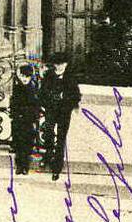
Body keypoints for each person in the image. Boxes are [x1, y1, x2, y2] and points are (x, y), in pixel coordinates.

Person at [43, 52, 82, 181]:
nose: (60, 67)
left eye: (62, 64)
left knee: (61, 137)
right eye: (57, 64)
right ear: (54, 65)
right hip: (51, 109)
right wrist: (48, 101)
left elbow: (76, 95)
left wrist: (68, 101)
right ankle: (48, 154)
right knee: (48, 131)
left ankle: (56, 167)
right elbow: (42, 92)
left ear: (66, 64)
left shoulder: (70, 77)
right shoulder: (48, 76)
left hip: (64, 111)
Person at [9, 59, 43, 175]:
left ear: (30, 78)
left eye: (27, 77)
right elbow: (13, 103)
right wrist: (14, 114)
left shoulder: (32, 89)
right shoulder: (17, 88)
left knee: (28, 143)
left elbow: (35, 104)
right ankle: (19, 165)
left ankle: (25, 166)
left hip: (28, 120)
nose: (24, 79)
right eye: (23, 76)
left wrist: (34, 116)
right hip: (19, 119)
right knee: (19, 143)